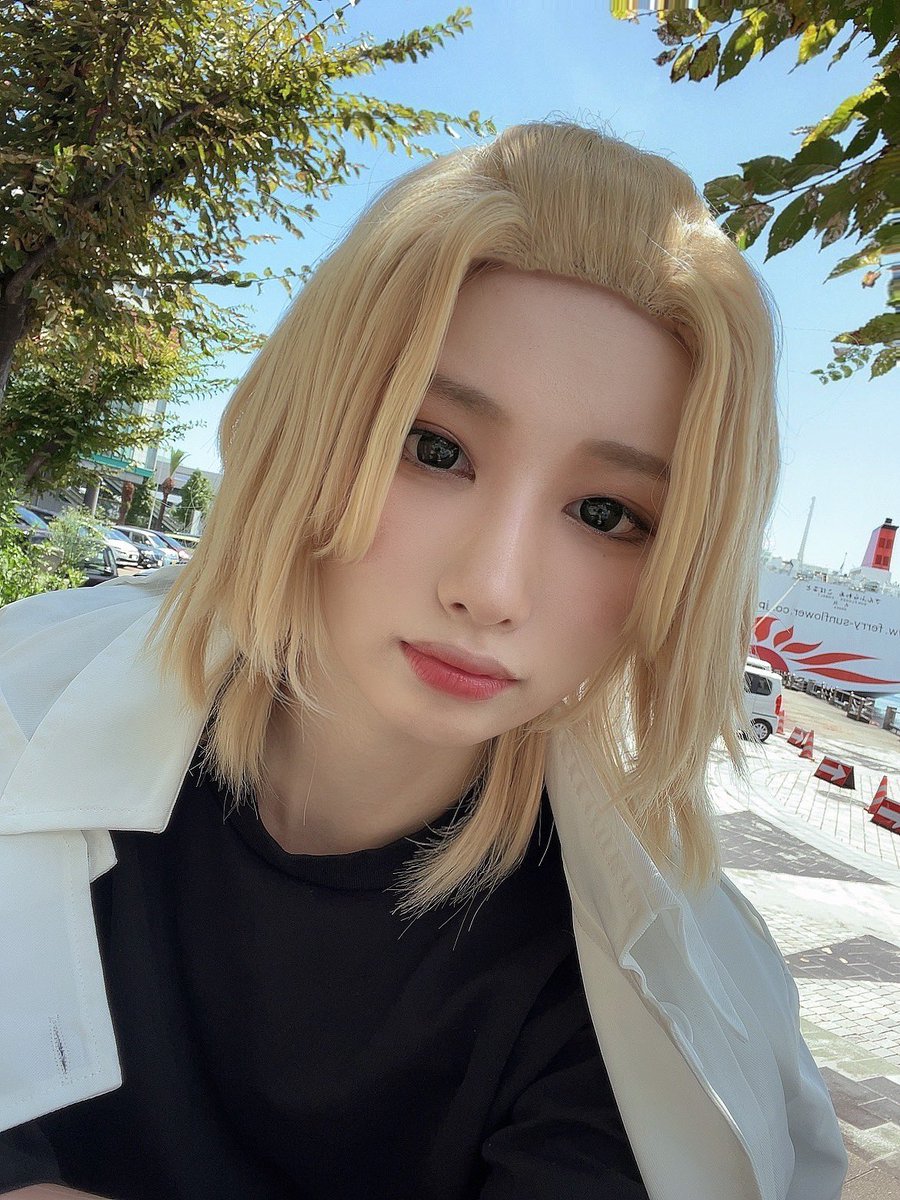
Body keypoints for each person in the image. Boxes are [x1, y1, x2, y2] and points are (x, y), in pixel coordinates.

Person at [0, 121, 846, 1200]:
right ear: (308, 428)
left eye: (606, 513)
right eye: (434, 448)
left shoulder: (638, 1003)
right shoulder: (24, 704)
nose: (491, 588)